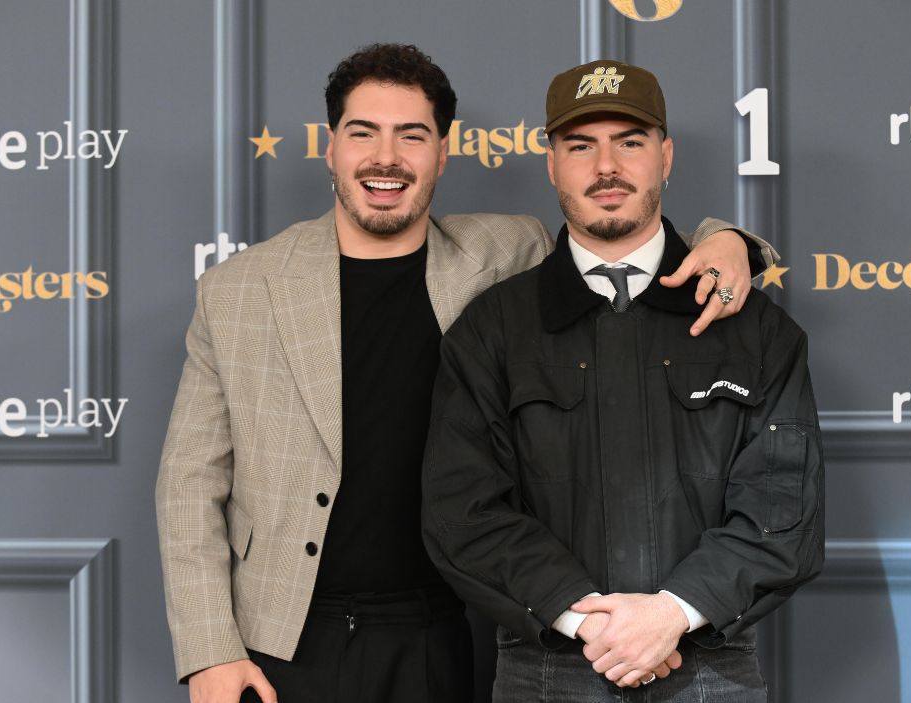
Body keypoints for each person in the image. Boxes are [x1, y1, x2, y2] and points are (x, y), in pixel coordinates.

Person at [157, 44, 778, 703]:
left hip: (445, 633)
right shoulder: (239, 289)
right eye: (362, 132)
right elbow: (188, 485)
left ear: (443, 152)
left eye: (412, 136)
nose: (386, 158)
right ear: (331, 146)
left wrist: (732, 242)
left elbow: (622, 235)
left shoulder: (508, 250)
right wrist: (210, 653)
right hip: (279, 643)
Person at [421, 59, 825, 702]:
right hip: (545, 671)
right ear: (551, 163)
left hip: (711, 670)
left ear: (666, 156)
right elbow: (463, 512)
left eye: (629, 142)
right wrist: (592, 623)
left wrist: (672, 615)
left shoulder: (755, 330)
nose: (606, 166)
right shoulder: (492, 330)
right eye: (581, 146)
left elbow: (783, 509)